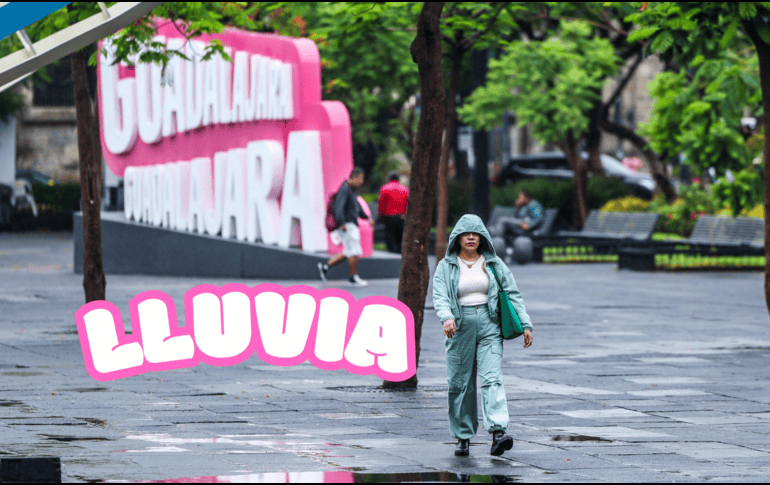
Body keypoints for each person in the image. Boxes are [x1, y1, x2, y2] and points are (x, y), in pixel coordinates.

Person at [432, 214, 534, 457]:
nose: (470, 238)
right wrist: (446, 318)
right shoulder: (446, 266)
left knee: (492, 378)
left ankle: (498, 433)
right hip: (459, 326)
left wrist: (525, 324)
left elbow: (512, 293)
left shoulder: (494, 264)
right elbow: (440, 296)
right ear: (456, 238)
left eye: (475, 234)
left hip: (490, 325)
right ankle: (463, 436)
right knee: (460, 384)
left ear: (482, 238)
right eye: (465, 234)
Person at [318, 167, 374, 287]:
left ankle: (325, 267)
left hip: (349, 223)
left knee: (349, 251)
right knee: (354, 251)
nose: (362, 181)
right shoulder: (345, 189)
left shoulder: (352, 191)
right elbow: (339, 206)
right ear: (354, 177)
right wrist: (342, 222)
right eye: (360, 178)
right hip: (347, 224)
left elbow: (357, 206)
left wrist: (366, 217)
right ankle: (353, 278)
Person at [377, 171, 409, 253]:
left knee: (390, 235)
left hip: (389, 216)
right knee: (400, 236)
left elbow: (381, 203)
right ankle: (399, 253)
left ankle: (391, 253)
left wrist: (380, 215)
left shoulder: (384, 188)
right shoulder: (405, 189)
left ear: (389, 178)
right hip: (401, 217)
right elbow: (408, 204)